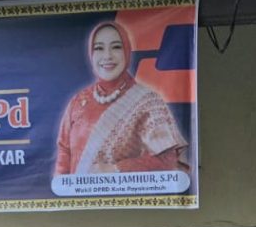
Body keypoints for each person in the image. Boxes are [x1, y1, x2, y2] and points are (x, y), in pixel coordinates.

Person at [54, 21, 189, 176]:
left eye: (116, 47)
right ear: (91, 54)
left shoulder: (147, 101)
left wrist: (116, 169)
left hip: (128, 199)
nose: (107, 56)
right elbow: (64, 152)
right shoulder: (78, 102)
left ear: (127, 51)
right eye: (99, 48)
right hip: (79, 199)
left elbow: (167, 161)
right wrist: (62, 192)